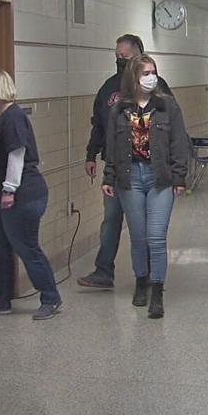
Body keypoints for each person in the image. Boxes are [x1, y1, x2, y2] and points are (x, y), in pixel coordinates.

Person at [78, 34, 172, 289]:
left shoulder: (157, 86)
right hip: (117, 168)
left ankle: (152, 276)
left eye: (125, 57)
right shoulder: (109, 88)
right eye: (117, 57)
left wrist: (175, 170)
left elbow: (171, 128)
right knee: (111, 219)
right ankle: (103, 271)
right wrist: (91, 154)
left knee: (147, 227)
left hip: (148, 169)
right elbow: (99, 124)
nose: (120, 61)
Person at [101, 55, 190, 319]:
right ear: (134, 78)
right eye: (145, 73)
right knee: (138, 237)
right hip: (130, 178)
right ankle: (141, 281)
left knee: (156, 237)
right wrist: (108, 177)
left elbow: (178, 142)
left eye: (154, 72)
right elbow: (112, 146)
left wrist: (179, 177)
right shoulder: (119, 109)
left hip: (159, 177)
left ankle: (157, 290)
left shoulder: (167, 106)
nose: (151, 77)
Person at [0, 70, 63, 321]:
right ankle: (0, 301)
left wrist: (9, 190)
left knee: (27, 248)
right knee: (0, 249)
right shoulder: (1, 118)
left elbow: (17, 155)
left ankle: (50, 297)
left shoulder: (13, 117)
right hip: (1, 197)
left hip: (22, 196)